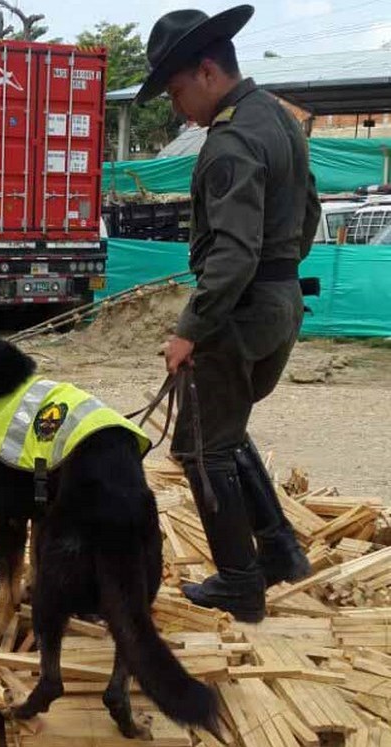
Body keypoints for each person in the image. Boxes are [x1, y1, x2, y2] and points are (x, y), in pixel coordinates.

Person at [135, 4, 321, 623]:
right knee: (226, 433)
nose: (176, 106)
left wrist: (190, 330)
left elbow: (234, 253)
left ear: (208, 71)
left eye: (177, 90)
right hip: (281, 299)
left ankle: (241, 584)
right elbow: (308, 213)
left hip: (240, 311)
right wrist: (281, 274)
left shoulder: (230, 144)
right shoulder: (278, 118)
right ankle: (281, 552)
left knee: (198, 450)